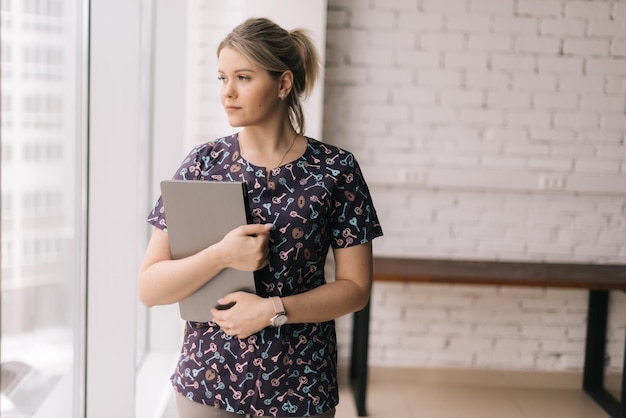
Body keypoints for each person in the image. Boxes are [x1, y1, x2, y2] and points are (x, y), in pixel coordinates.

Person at [138, 17, 383, 418]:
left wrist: (272, 309)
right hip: (208, 382)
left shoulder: (337, 170)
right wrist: (221, 255)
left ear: (284, 84)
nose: (227, 93)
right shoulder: (203, 163)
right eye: (221, 78)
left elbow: (356, 288)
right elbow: (150, 288)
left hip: (301, 385)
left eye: (243, 77)